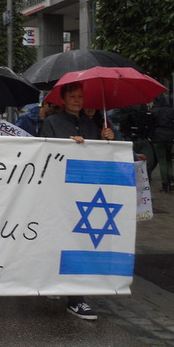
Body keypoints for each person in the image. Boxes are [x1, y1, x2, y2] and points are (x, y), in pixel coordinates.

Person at [41, 81, 114, 321]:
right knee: (59, 240)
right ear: (63, 100)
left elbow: (101, 157)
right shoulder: (52, 123)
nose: (77, 100)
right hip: (59, 193)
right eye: (72, 96)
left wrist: (107, 141)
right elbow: (44, 153)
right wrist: (67, 147)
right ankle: (55, 281)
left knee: (79, 243)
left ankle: (76, 297)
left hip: (85, 193)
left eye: (80, 96)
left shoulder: (92, 124)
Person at [113, 104, 156, 180]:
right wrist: (129, 115)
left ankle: (145, 181)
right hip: (128, 138)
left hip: (143, 138)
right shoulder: (122, 104)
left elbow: (149, 119)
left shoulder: (143, 105)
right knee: (129, 163)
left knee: (148, 162)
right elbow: (115, 118)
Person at [150, 94, 174, 193]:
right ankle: (171, 182)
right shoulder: (171, 110)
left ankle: (164, 185)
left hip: (157, 138)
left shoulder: (153, 111)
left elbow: (150, 125)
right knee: (169, 160)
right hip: (170, 138)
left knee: (162, 161)